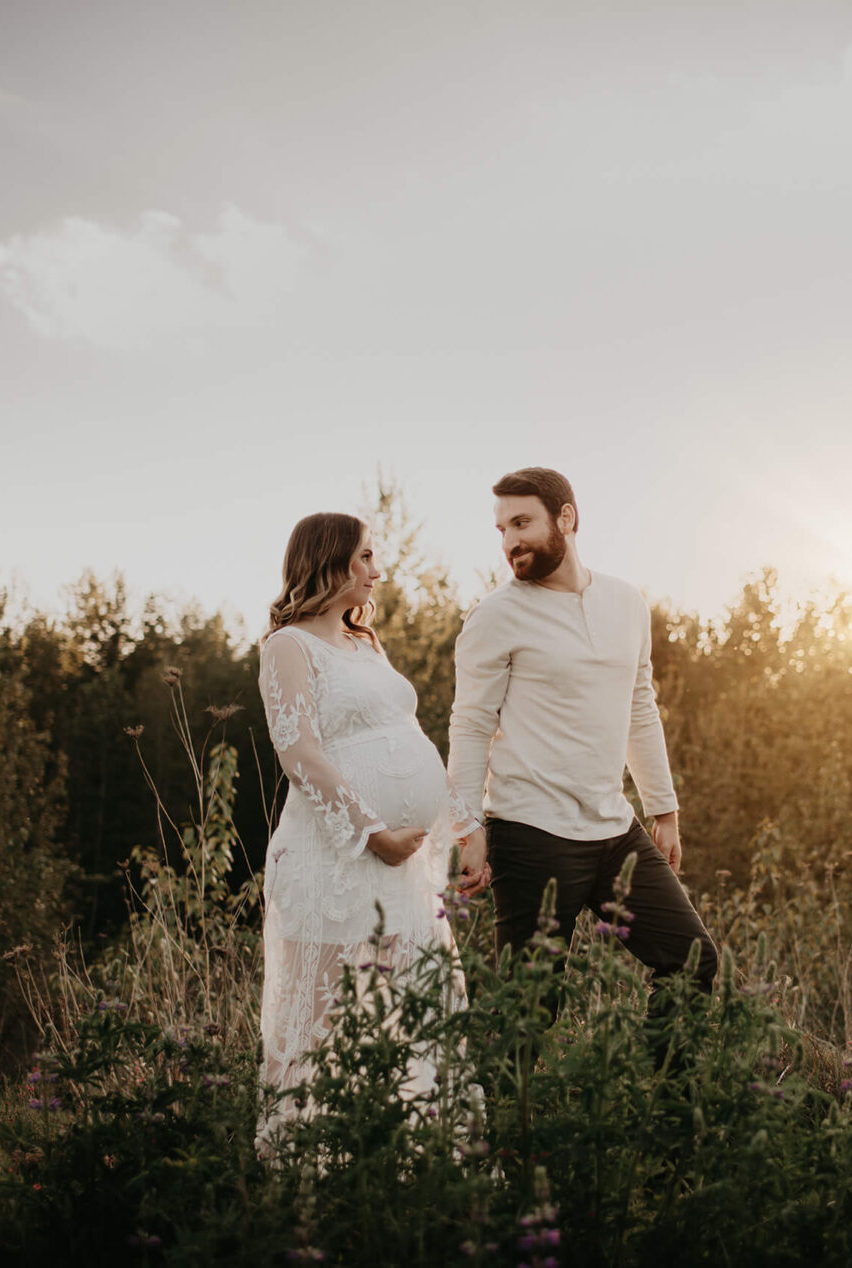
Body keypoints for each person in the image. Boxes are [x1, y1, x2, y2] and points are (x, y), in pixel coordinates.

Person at [254, 512, 488, 1147]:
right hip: (333, 857)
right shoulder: (288, 647)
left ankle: (415, 1156)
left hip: (403, 872)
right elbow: (299, 753)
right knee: (325, 1021)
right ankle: (306, 1163)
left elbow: (409, 739)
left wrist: (465, 827)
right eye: (363, 557)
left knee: (410, 1010)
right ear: (327, 562)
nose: (375, 571)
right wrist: (370, 833)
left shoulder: (366, 644)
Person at [448, 467, 718, 1007]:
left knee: (692, 960)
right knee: (527, 1010)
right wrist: (467, 826)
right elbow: (471, 723)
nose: (509, 541)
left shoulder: (626, 602)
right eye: (501, 529)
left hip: (613, 828)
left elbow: (639, 704)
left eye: (521, 523)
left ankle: (661, 1067)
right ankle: (510, 1071)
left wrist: (663, 810)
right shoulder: (495, 616)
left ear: (566, 518)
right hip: (530, 832)